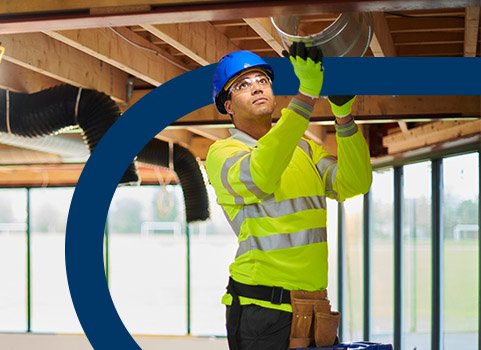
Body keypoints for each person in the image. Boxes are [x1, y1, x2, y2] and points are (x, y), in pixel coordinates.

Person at [205, 43, 372, 350]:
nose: (257, 88)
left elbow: (354, 183)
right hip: (262, 310)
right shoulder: (223, 153)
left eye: (262, 81)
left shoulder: (304, 149)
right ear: (227, 105)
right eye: (243, 85)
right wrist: (307, 94)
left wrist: (344, 115)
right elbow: (262, 175)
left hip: (313, 309)